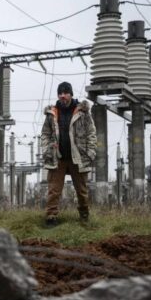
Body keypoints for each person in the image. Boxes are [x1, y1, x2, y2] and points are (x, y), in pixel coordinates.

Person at [40, 81, 97, 226]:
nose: (62, 96)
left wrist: (90, 153)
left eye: (65, 93)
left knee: (82, 190)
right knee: (53, 190)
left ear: (71, 94)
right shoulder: (52, 113)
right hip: (57, 157)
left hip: (78, 157)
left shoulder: (82, 113)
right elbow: (45, 134)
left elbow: (91, 133)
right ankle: (51, 216)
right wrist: (47, 149)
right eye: (60, 93)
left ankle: (84, 215)